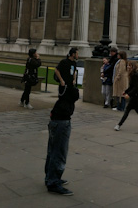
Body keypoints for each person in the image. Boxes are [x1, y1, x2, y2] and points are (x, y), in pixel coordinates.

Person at [45, 48, 79, 196]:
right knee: (59, 153)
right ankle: (53, 182)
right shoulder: (69, 90)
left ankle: (50, 177)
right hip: (62, 122)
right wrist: (71, 81)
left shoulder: (63, 89)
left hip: (56, 119)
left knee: (52, 151)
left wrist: (67, 81)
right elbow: (76, 95)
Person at [114, 62, 138, 130]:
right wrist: (126, 91)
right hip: (136, 96)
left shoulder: (134, 75)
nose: (128, 67)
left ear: (133, 67)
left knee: (127, 110)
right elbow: (132, 86)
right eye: (128, 65)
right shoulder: (132, 74)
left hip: (135, 97)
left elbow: (135, 87)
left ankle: (119, 125)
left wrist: (128, 94)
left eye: (129, 66)